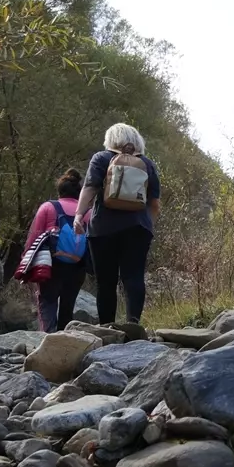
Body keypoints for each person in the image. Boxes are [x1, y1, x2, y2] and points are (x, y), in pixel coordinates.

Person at [73, 123, 161, 325]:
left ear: (110, 139)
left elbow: (90, 187)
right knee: (134, 277)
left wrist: (78, 215)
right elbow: (155, 202)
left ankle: (107, 327)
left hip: (103, 228)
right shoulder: (147, 163)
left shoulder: (101, 158)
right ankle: (133, 324)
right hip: (138, 228)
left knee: (106, 282)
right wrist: (148, 226)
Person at [25, 168, 90, 332]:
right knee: (68, 304)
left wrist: (26, 262)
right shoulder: (87, 212)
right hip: (77, 265)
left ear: (60, 191)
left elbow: (34, 236)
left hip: (51, 263)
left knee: (47, 301)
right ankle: (64, 337)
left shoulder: (48, 207)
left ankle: (48, 335)